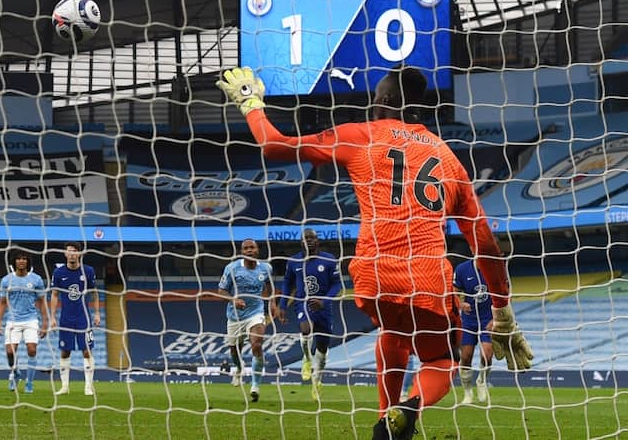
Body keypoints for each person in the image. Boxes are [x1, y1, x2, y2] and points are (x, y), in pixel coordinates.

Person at [218, 66, 533, 439]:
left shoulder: (361, 135)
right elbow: (486, 243)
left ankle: (386, 422)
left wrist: (250, 102)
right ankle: (408, 408)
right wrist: (503, 311)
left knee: (393, 333)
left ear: (382, 102)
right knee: (439, 360)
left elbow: (273, 144)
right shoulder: (449, 160)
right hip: (428, 276)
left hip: (372, 273)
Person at [278, 228, 341, 401]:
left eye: (312, 237)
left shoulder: (329, 260)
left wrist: (324, 301)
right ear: (301, 242)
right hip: (303, 303)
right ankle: (306, 358)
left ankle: (316, 380)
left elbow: (337, 285)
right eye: (306, 238)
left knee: (322, 348)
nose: (310, 240)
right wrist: (282, 305)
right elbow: (287, 284)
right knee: (305, 329)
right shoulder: (294, 261)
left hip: (324, 308)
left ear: (318, 240)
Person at [217, 238, 279, 403]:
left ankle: (255, 386)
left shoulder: (266, 268)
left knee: (257, 343)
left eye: (252, 247)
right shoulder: (232, 268)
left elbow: (270, 285)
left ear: (257, 250)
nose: (249, 250)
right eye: (246, 248)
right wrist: (233, 300)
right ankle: (238, 369)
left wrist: (272, 302)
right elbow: (221, 291)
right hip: (235, 316)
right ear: (242, 252)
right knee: (234, 352)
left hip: (256, 313)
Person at [50, 241, 101, 396]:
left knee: (87, 351)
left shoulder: (88, 271)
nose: (71, 254)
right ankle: (65, 387)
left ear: (79, 254)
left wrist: (97, 313)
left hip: (83, 318)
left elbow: (94, 293)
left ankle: (88, 387)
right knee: (65, 352)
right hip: (66, 319)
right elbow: (54, 294)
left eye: (74, 251)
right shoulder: (59, 273)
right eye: (69, 251)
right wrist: (52, 316)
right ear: (65, 254)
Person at [0, 249, 49, 393]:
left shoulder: (36, 280)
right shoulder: (6, 280)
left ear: (28, 261)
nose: (21, 261)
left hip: (31, 320)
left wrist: (45, 323)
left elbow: (42, 302)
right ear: (14, 261)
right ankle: (15, 373)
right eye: (18, 258)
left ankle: (29, 383)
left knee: (32, 349)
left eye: (24, 258)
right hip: (12, 321)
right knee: (10, 352)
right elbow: (2, 303)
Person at [454, 258, 494, 404]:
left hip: (488, 319)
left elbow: (505, 295)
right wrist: (460, 304)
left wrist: (496, 318)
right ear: (472, 249)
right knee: (466, 357)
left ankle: (482, 381)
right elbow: (454, 292)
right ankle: (467, 392)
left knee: (488, 353)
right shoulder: (462, 269)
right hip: (468, 320)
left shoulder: (495, 267)